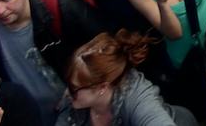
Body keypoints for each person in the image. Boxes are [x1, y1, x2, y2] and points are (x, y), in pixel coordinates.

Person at [56, 31, 192, 126]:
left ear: (102, 87)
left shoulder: (137, 97)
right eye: (68, 83)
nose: (67, 93)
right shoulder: (76, 102)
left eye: (74, 89)